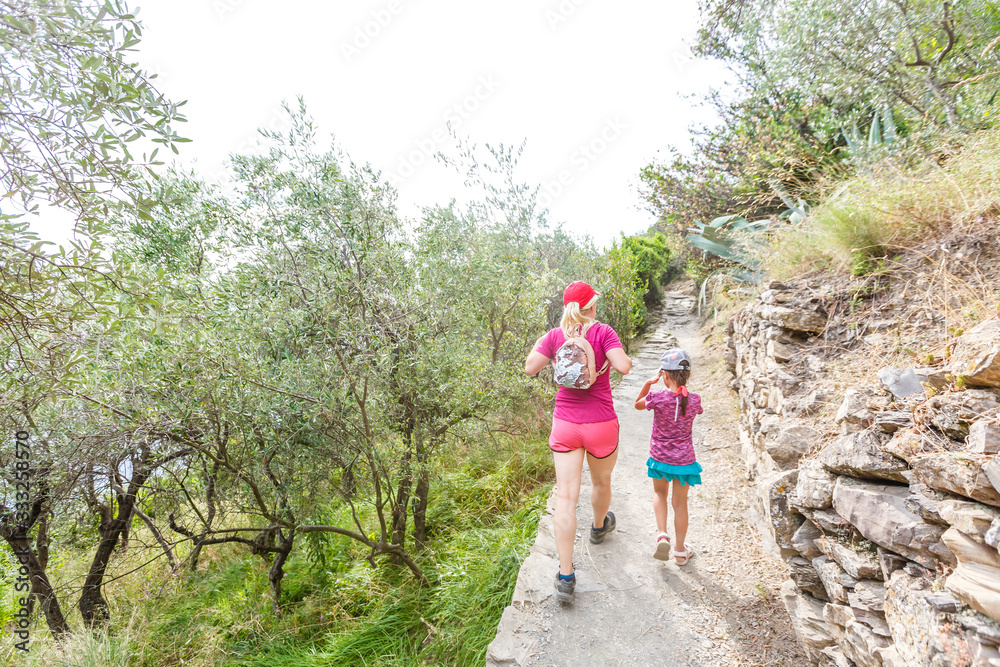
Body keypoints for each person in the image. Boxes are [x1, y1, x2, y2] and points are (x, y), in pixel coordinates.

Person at [524, 280, 632, 603]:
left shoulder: (555, 336)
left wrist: (556, 357)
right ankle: (599, 527)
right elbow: (624, 366)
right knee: (601, 482)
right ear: (592, 306)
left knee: (566, 498)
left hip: (566, 424)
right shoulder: (603, 332)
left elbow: (530, 368)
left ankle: (566, 577)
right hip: (601, 423)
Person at [633, 348, 703, 565]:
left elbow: (637, 404)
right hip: (684, 461)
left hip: (659, 458)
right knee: (680, 504)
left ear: (664, 375)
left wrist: (647, 384)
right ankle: (680, 552)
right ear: (687, 375)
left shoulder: (655, 397)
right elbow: (690, 405)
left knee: (659, 494)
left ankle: (662, 535)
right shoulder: (694, 400)